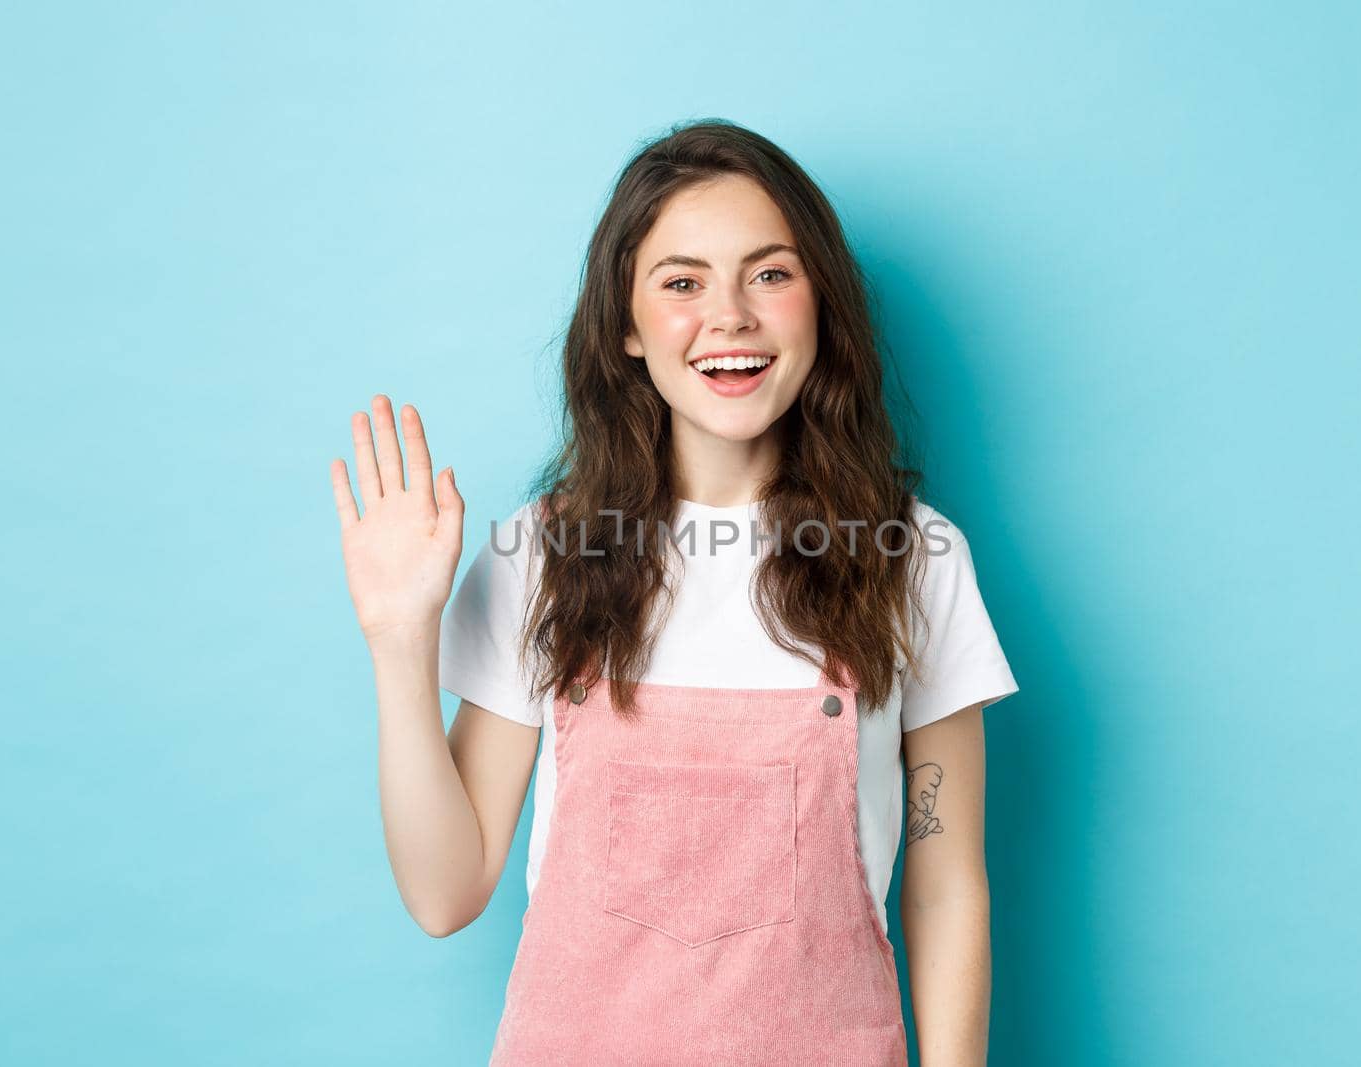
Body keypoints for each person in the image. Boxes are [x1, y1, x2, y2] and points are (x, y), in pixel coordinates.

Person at [331, 118, 1020, 1065]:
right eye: (682, 281)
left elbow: (947, 889)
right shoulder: (544, 553)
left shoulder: (916, 556)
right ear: (625, 324)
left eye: (771, 273)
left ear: (822, 303)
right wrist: (400, 642)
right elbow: (445, 893)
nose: (730, 315)